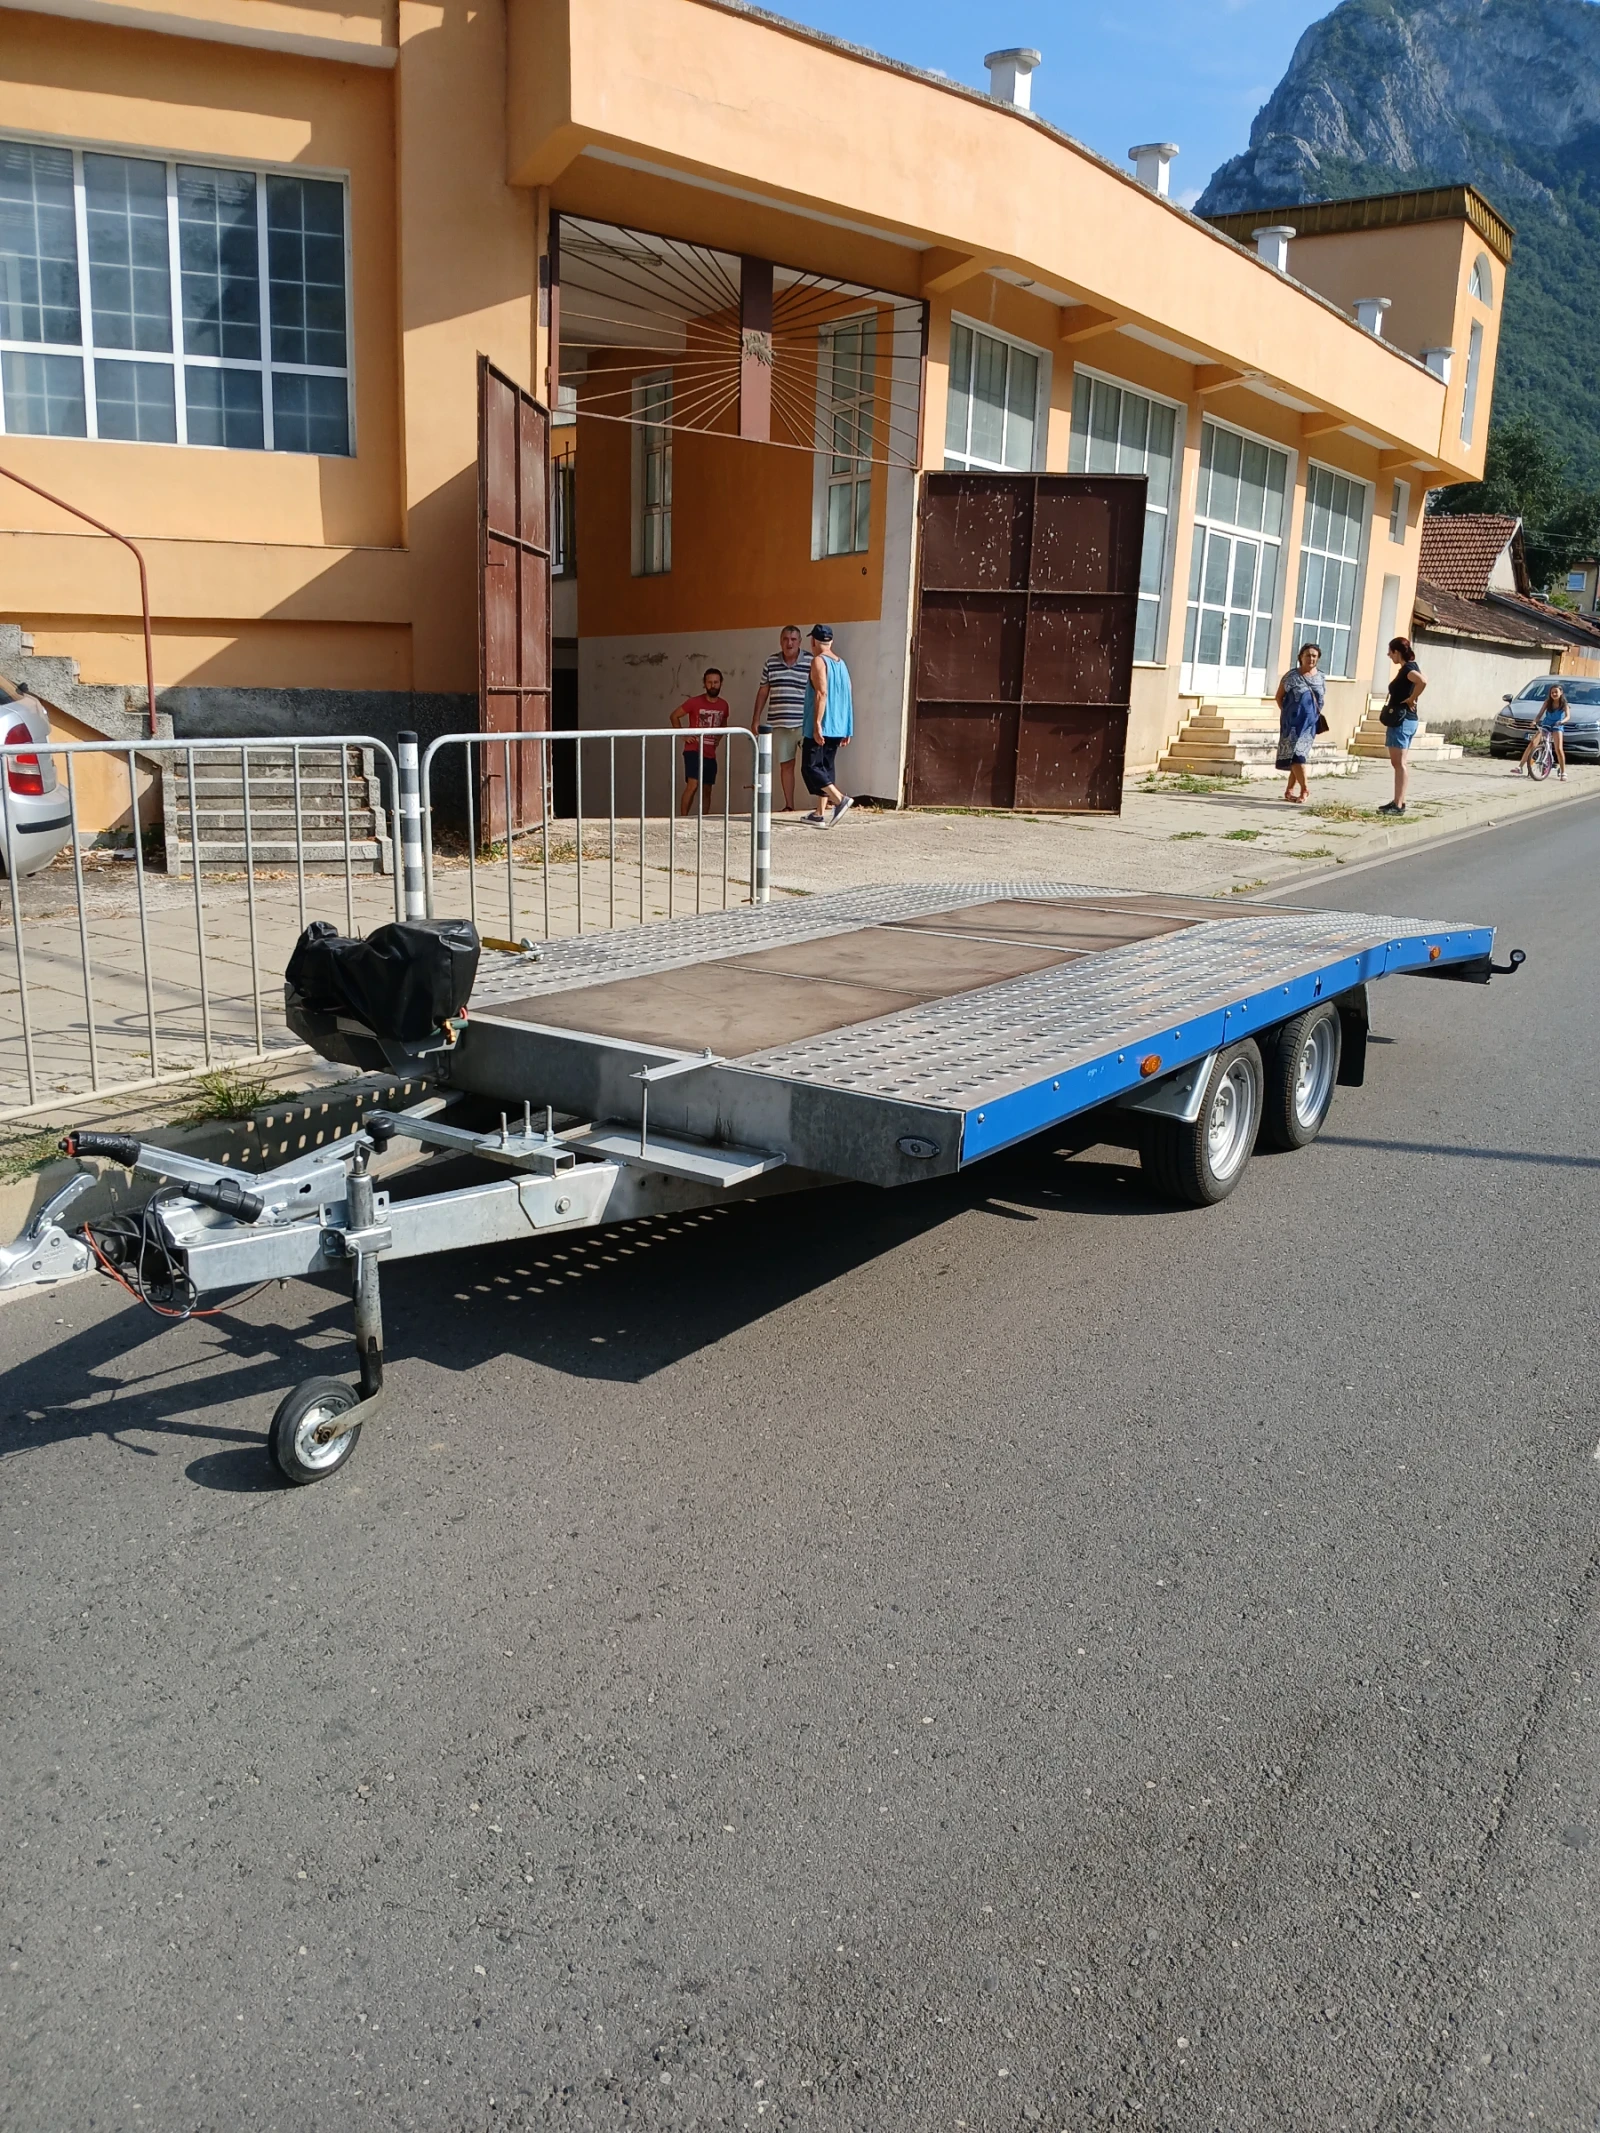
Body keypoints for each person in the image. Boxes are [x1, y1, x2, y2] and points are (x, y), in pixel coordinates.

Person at [752, 624, 808, 813]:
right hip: (779, 723)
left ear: (800, 642)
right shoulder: (771, 662)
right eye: (785, 639)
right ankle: (789, 805)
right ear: (780, 641)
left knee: (813, 764)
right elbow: (763, 691)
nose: (789, 643)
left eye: (793, 639)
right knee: (786, 765)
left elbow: (820, 691)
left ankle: (821, 806)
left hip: (804, 723)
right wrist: (756, 718)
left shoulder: (811, 661)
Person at [801, 625, 853, 827]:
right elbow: (848, 694)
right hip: (838, 725)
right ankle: (819, 813)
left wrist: (816, 724)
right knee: (825, 767)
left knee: (810, 767)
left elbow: (821, 692)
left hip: (823, 724)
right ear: (830, 641)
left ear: (813, 641)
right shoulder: (842, 663)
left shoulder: (818, 661)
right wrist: (848, 727)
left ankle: (840, 800)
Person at [669, 667, 729, 816]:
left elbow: (724, 723)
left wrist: (718, 739)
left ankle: (705, 819)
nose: (713, 685)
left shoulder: (724, 705)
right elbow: (674, 716)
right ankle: (683, 818)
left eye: (716, 682)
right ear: (704, 683)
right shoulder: (694, 702)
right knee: (693, 784)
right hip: (693, 750)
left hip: (710, 753)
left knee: (707, 788)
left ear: (721, 683)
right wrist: (683, 735)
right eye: (709, 682)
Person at [1379, 636, 1426, 816]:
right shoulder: (1412, 666)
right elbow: (1424, 678)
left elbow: (1423, 681)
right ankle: (1399, 800)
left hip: (1402, 720)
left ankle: (1398, 805)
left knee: (1399, 763)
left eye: (1390, 652)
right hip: (1406, 720)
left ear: (1397, 652)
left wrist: (1412, 699)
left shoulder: (1408, 669)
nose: (1389, 655)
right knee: (1399, 763)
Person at [1275, 641, 1325, 804]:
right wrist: (1288, 714)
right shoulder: (1291, 676)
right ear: (1301, 657)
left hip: (1309, 725)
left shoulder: (1321, 677)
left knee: (1298, 756)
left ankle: (1300, 790)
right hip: (1291, 725)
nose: (1311, 658)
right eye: (1308, 655)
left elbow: (1321, 699)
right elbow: (1279, 697)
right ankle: (1296, 789)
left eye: (1314, 656)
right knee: (1295, 756)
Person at [1516, 681, 1568, 779]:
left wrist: (1562, 722)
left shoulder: (1564, 704)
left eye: (1556, 692)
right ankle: (1520, 767)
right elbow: (1540, 714)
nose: (1554, 694)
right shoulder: (1547, 702)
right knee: (1533, 743)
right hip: (1546, 724)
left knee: (1558, 749)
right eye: (1552, 692)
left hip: (1557, 726)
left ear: (1561, 693)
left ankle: (1563, 772)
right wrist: (1535, 721)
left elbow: (1568, 716)